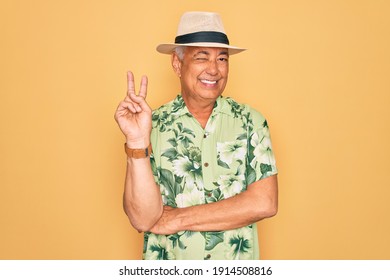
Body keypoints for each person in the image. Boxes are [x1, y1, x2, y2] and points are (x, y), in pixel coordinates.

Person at [114, 11, 278, 260]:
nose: (214, 70)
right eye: (202, 57)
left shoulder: (251, 122)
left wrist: (176, 218)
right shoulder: (153, 125)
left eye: (222, 59)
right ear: (177, 64)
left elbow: (264, 203)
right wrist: (137, 142)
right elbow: (142, 218)